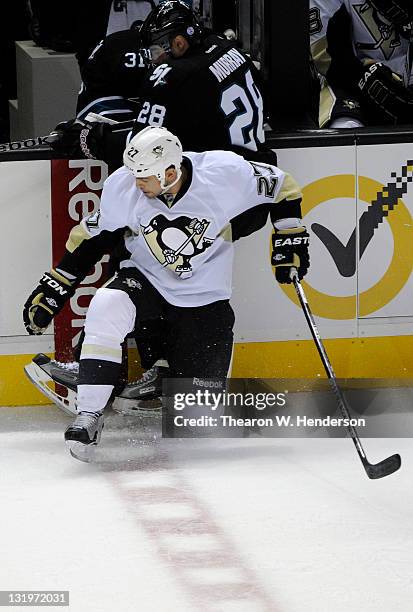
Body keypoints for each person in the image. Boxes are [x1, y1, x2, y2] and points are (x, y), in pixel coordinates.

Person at [41, 0, 278, 407]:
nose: (158, 55)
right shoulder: (231, 53)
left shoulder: (174, 74)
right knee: (175, 270)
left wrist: (87, 139)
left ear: (182, 40)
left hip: (203, 191)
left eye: (163, 45)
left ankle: (100, 362)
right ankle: (165, 367)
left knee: (133, 251)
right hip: (244, 189)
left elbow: (143, 147)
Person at [23, 126, 309, 460]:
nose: (135, 184)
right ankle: (88, 415)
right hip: (145, 280)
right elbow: (92, 237)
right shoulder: (124, 186)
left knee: (197, 419)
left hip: (205, 295)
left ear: (170, 172)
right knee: (107, 302)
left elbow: (283, 186)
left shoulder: (223, 173)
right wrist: (55, 286)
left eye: (143, 177)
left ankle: (169, 379)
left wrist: (290, 237)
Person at [310, 0, 413, 127]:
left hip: (407, 78)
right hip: (353, 83)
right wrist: (362, 76)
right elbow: (326, 56)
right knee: (344, 126)